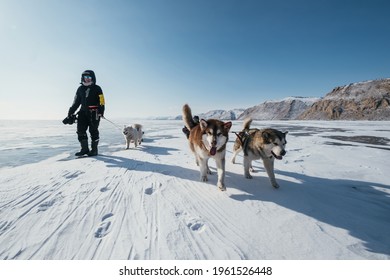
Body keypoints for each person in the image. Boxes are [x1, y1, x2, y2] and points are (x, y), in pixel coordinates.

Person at [67, 70, 105, 157]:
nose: (87, 79)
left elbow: (102, 101)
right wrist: (70, 112)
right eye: (85, 77)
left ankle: (94, 150)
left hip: (94, 113)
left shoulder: (97, 88)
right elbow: (76, 102)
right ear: (82, 78)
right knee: (80, 130)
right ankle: (84, 149)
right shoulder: (80, 89)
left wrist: (101, 111)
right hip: (82, 113)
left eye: (89, 77)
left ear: (92, 78)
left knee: (93, 131)